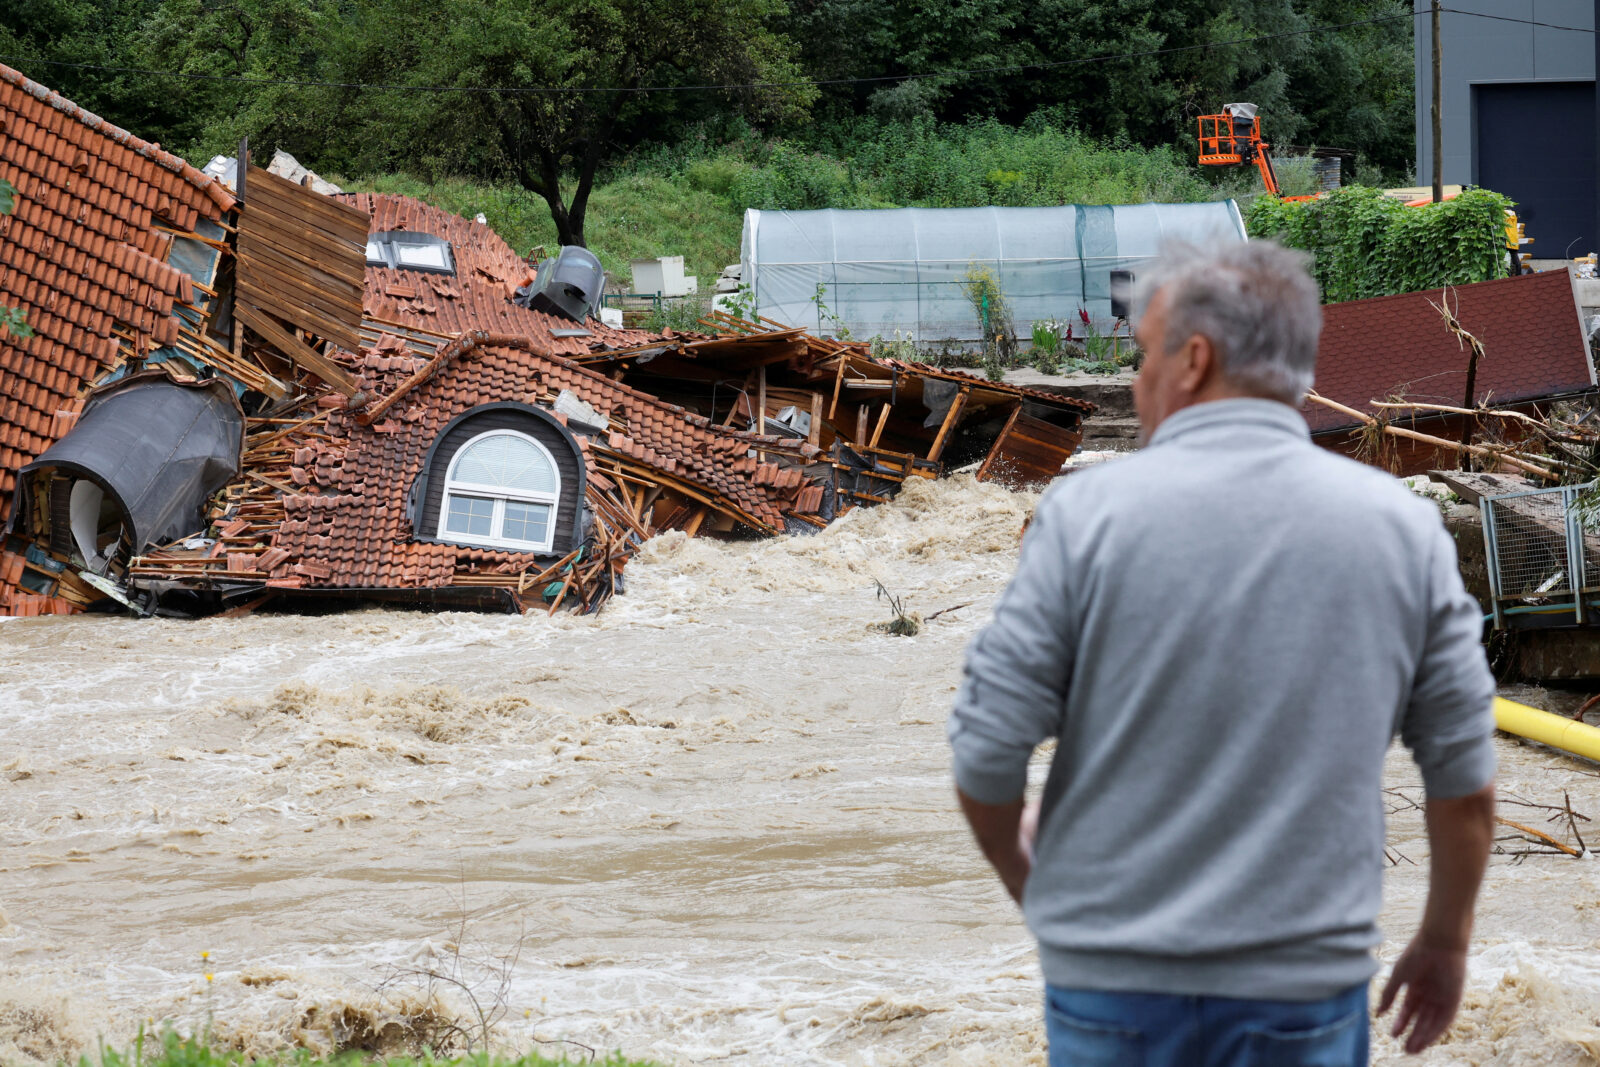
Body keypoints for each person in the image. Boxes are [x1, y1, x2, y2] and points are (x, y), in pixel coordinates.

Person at [947, 239, 1497, 1066]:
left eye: (1144, 356)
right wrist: (1445, 940)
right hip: (1303, 990)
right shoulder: (1403, 528)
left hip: (1113, 989)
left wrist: (1038, 889)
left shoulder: (1083, 517)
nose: (1139, 380)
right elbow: (1465, 784)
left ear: (1194, 359)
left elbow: (986, 750)